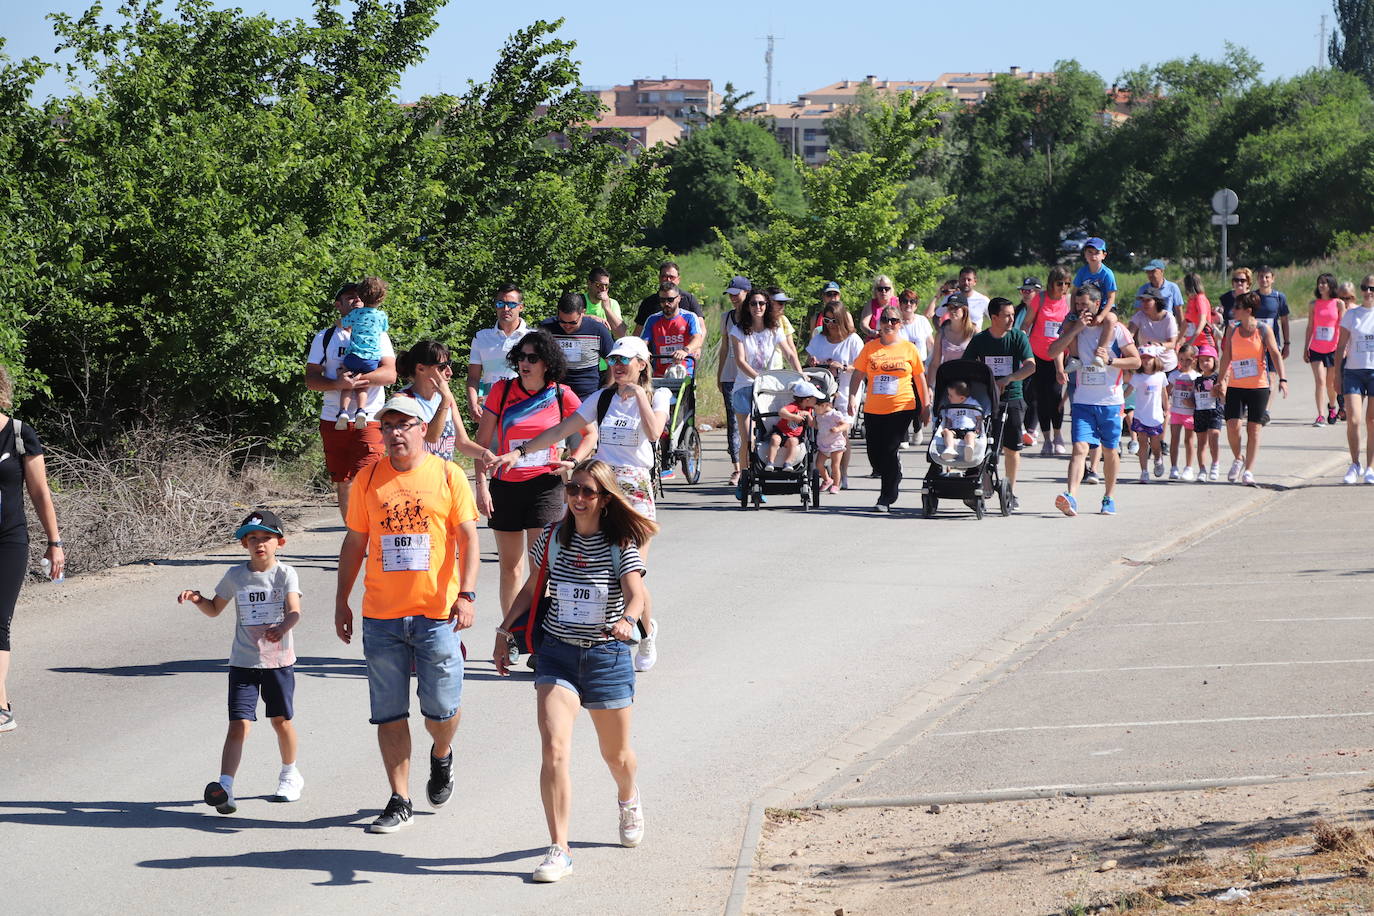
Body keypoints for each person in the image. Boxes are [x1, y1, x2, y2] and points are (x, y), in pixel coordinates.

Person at [492, 459, 656, 883]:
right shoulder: (550, 537)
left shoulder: (621, 541)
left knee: (616, 757)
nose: (579, 498)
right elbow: (532, 586)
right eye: (573, 490)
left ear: (604, 498)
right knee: (554, 750)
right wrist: (504, 629)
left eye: (588, 492)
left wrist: (629, 620)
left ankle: (627, 798)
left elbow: (636, 593)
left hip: (607, 657)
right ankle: (559, 848)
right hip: (558, 655)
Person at [335, 396, 481, 834]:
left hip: (435, 612)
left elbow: (469, 539)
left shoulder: (447, 475)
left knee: (439, 711)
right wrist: (342, 599)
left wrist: (467, 594)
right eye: (389, 425)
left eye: (405, 424)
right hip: (381, 615)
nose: (396, 432)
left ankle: (442, 754)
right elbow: (355, 542)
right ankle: (400, 799)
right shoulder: (368, 478)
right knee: (388, 711)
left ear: (423, 429)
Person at [491, 336, 668, 673]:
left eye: (625, 361)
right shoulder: (602, 398)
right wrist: (520, 452)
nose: (617, 366)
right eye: (613, 360)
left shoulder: (658, 395)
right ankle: (585, 640)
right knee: (599, 570)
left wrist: (640, 396)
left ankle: (645, 633)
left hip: (635, 489)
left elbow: (654, 431)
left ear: (641, 365)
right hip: (601, 486)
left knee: (633, 573)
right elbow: (562, 429)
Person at [177, 509, 303, 815]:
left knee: (281, 721)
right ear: (244, 543)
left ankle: (290, 775)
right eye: (252, 538)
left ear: (280, 542)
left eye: (266, 538)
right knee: (238, 725)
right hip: (242, 664)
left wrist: (283, 627)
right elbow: (214, 609)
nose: (259, 544)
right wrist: (196, 599)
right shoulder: (236, 575)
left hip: (278, 663)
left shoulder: (285, 574)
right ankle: (226, 788)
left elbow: (294, 611)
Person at [474, 330, 588, 623]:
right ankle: (510, 633)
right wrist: (482, 487)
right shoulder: (502, 391)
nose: (525, 363)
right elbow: (482, 442)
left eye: (533, 358)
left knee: (540, 567)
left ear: (546, 363)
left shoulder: (562, 394)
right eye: (521, 356)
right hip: (506, 486)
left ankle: (536, 634)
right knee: (510, 567)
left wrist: (573, 460)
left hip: (545, 487)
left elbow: (591, 434)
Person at [0, 365, 63, 733]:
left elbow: (40, 492)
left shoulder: (20, 434)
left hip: (9, 540)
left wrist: (54, 543)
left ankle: (0, 705)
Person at [305, 283, 397, 521]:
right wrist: (337, 384)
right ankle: (353, 535)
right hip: (333, 418)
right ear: (339, 304)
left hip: (371, 418)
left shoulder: (378, 332)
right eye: (349, 298)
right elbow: (311, 379)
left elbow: (389, 374)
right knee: (343, 481)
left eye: (359, 297)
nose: (356, 301)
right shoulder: (325, 337)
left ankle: (372, 532)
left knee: (369, 477)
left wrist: (357, 379)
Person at [1050, 285, 1141, 517]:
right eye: (1077, 305)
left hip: (1111, 401)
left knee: (1110, 451)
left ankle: (1108, 497)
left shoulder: (1116, 329)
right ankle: (1071, 496)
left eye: (1085, 305)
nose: (1081, 309)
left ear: (1097, 304)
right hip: (1082, 401)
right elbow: (1052, 352)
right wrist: (1076, 329)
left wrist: (1111, 362)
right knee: (1079, 448)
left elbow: (1136, 362)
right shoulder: (1074, 326)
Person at [847, 304, 930, 512]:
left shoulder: (909, 348)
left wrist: (926, 406)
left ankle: (886, 496)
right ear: (878, 323)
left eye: (893, 320)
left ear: (900, 324)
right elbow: (857, 374)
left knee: (889, 450)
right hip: (874, 408)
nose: (889, 324)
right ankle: (894, 474)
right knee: (874, 455)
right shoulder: (871, 347)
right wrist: (851, 398)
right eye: (885, 320)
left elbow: (920, 379)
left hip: (902, 406)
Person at [962, 297, 1035, 510]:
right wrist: (986, 382)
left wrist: (1008, 379)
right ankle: (980, 487)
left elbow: (1031, 366)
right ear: (994, 317)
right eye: (1007, 315)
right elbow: (967, 365)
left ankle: (1009, 490)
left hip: (1012, 397)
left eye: (1013, 314)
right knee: (983, 445)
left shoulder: (1018, 337)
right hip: (985, 400)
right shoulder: (980, 340)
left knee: (1012, 448)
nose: (1012, 319)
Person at [731, 289, 803, 495]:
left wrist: (799, 375)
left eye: (762, 304)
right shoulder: (739, 331)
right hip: (746, 387)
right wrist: (759, 378)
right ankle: (745, 478)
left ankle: (763, 476)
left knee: (767, 434)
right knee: (748, 438)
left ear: (767, 306)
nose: (758, 307)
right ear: (748, 307)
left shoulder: (774, 329)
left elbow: (789, 352)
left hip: (769, 390)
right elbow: (741, 361)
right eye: (753, 304)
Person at [1218, 291, 1288, 486]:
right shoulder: (1232, 329)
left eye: (1237, 308)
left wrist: (1283, 379)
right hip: (1236, 385)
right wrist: (1220, 380)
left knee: (1254, 429)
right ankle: (1238, 458)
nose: (1233, 311)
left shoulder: (1263, 330)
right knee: (1233, 426)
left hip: (1258, 386)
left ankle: (1248, 470)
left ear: (1248, 311)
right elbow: (1226, 357)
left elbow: (1275, 354)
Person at [394, 340, 493, 464]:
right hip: (418, 480)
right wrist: (445, 401)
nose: (449, 372)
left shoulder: (446, 397)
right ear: (420, 368)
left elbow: (463, 443)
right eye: (442, 367)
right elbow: (431, 437)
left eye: (449, 364)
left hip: (443, 478)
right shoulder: (402, 400)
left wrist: (485, 454)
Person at [805, 300, 865, 489]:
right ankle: (821, 471)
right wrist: (813, 361)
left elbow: (862, 367)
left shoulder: (852, 340)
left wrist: (844, 367)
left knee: (841, 431)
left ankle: (841, 473)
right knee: (820, 429)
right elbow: (807, 361)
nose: (830, 325)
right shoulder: (819, 339)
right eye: (827, 321)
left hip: (846, 389)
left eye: (833, 321)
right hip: (823, 391)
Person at [1024, 267, 1072, 456]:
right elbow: (1026, 323)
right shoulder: (1040, 299)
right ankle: (1046, 439)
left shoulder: (1067, 302)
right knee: (1041, 398)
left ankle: (1058, 435)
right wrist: (1022, 343)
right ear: (1052, 283)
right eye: (1060, 283)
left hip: (1059, 355)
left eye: (1067, 283)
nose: (1063, 287)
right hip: (1037, 354)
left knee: (1055, 396)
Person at [466, 283, 530, 423]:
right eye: (500, 303)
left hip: (524, 411)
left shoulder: (533, 338)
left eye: (511, 304)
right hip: (490, 412)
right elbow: (473, 378)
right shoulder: (481, 337)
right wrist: (473, 405)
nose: (505, 309)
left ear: (521, 307)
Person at [336, 277, 391, 429]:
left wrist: (338, 323)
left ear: (361, 295)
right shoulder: (381, 316)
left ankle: (343, 412)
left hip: (354, 356)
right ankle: (361, 410)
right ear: (381, 298)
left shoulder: (356, 314)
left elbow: (342, 324)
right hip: (371, 359)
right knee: (362, 386)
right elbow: (383, 329)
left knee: (347, 382)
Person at [1336, 276, 1374, 484]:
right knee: (1354, 419)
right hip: (1353, 372)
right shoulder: (1352, 315)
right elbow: (1340, 346)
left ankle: (1371, 467)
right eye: (1365, 288)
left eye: (1372, 288)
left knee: (1372, 421)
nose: (1368, 291)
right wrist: (1336, 375)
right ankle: (1355, 463)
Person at [541, 292, 614, 400]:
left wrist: (608, 387)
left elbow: (613, 361)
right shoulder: (546, 328)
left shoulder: (597, 329)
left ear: (582, 313)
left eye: (572, 322)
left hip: (588, 396)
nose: (567, 326)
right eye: (562, 321)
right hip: (553, 395)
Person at [716, 276, 752, 484]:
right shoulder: (726, 318)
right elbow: (724, 347)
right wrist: (719, 374)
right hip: (730, 374)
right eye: (731, 294)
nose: (733, 298)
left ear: (747, 293)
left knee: (753, 421)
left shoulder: (754, 316)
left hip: (750, 374)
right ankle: (737, 468)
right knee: (733, 421)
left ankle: (752, 462)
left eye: (737, 294)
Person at [640, 284, 705, 378]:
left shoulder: (689, 317)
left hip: (684, 373)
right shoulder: (652, 319)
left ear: (678, 298)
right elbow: (643, 342)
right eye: (662, 300)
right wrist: (644, 351)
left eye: (670, 300)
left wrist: (685, 351)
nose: (666, 303)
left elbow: (697, 339)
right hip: (659, 374)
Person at [1305, 273, 1344, 426]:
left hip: (1333, 348)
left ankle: (1332, 407)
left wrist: (1343, 347)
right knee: (1320, 381)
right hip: (1316, 348)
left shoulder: (1339, 304)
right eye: (1319, 283)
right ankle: (1320, 415)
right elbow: (1310, 327)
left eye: (1324, 283)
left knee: (1331, 383)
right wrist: (1305, 348)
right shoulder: (1313, 304)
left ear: (1331, 285)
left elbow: (1342, 328)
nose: (1321, 286)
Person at [1126, 351, 1167, 482]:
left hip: (1155, 416)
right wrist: (1118, 401)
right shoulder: (1137, 377)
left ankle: (1158, 459)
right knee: (1142, 443)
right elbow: (1127, 392)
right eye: (1143, 358)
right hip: (1140, 416)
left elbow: (1164, 394)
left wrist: (1166, 408)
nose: (1146, 360)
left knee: (1155, 444)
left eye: (1149, 358)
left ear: (1155, 359)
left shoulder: (1160, 375)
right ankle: (1144, 472)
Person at [632, 262, 702, 334]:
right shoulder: (648, 302)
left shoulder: (688, 299)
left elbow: (701, 328)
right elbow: (638, 333)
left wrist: (695, 344)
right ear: (659, 278)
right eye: (664, 277)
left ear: (678, 279)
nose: (668, 280)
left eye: (672, 277)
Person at [766, 379, 821, 469]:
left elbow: (812, 424)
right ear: (807, 400)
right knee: (774, 439)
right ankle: (770, 462)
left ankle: (788, 463)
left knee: (793, 442)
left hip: (794, 436)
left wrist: (808, 415)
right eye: (814, 399)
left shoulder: (809, 410)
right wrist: (794, 417)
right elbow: (782, 412)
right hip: (781, 431)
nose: (816, 400)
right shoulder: (794, 406)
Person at [924, 293, 977, 386]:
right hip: (947, 382)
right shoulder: (941, 333)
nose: (952, 311)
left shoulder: (973, 332)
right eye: (950, 308)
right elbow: (935, 363)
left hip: (969, 384)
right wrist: (929, 387)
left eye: (956, 308)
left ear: (965, 309)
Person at [1166, 345, 1200, 480]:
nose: (1184, 363)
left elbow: (1200, 395)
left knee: (1189, 440)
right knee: (1174, 439)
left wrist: (1192, 402)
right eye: (1181, 359)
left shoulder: (1197, 376)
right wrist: (1165, 405)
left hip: (1190, 413)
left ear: (1194, 360)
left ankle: (1188, 468)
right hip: (1175, 411)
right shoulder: (1174, 375)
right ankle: (1174, 467)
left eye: (1188, 360)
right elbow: (1166, 392)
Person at [1192, 345, 1224, 481]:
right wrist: (1189, 402)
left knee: (1214, 438)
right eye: (1201, 360)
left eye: (1208, 360)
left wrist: (1220, 391)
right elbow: (1193, 397)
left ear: (1214, 361)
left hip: (1214, 412)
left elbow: (1224, 396)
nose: (1204, 363)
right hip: (1200, 413)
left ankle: (1215, 465)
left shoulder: (1218, 378)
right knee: (1201, 442)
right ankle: (1202, 469)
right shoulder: (1197, 380)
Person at [1129, 290, 1180, 372]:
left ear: (1157, 302)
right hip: (1147, 365)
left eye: (1148, 300)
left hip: (1166, 365)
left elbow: (1172, 344)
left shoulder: (1169, 318)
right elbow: (1129, 335)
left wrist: (1158, 345)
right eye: (1143, 301)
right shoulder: (1139, 315)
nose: (1144, 303)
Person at [937, 380, 982, 463]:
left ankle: (969, 449)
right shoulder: (951, 406)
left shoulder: (972, 403)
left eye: (951, 396)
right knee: (947, 432)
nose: (948, 397)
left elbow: (979, 418)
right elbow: (949, 420)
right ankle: (950, 449)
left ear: (962, 398)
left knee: (970, 436)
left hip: (970, 429)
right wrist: (946, 428)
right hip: (955, 429)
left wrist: (978, 427)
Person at [814, 395, 851, 493]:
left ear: (825, 405)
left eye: (816, 407)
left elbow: (845, 424)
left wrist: (838, 429)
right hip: (823, 444)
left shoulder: (834, 414)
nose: (815, 410)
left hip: (836, 444)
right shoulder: (818, 416)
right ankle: (827, 480)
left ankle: (836, 485)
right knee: (818, 464)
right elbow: (815, 426)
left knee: (835, 465)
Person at [1177, 273, 1219, 352]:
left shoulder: (1200, 299)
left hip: (1203, 341)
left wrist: (1193, 338)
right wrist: (1178, 340)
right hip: (1192, 343)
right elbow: (1186, 322)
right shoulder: (1191, 300)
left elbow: (1202, 321)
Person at [1136, 259, 1184, 326]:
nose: (1150, 274)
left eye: (1153, 271)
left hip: (1168, 326)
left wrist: (1182, 332)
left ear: (1162, 271)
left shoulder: (1173, 287)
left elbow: (1179, 311)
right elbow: (1139, 311)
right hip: (1149, 327)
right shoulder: (1143, 289)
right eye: (1148, 272)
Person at [585, 266, 626, 338]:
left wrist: (607, 308)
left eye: (606, 285)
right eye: (599, 285)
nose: (603, 289)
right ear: (589, 283)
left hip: (604, 346)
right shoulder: (579, 300)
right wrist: (591, 318)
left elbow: (621, 334)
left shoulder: (612, 303)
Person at [858, 275, 899, 341]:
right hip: (875, 339)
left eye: (887, 289)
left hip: (894, 339)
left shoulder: (897, 302)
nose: (883, 291)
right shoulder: (870, 304)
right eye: (880, 289)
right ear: (875, 291)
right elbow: (863, 324)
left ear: (891, 290)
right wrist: (871, 332)